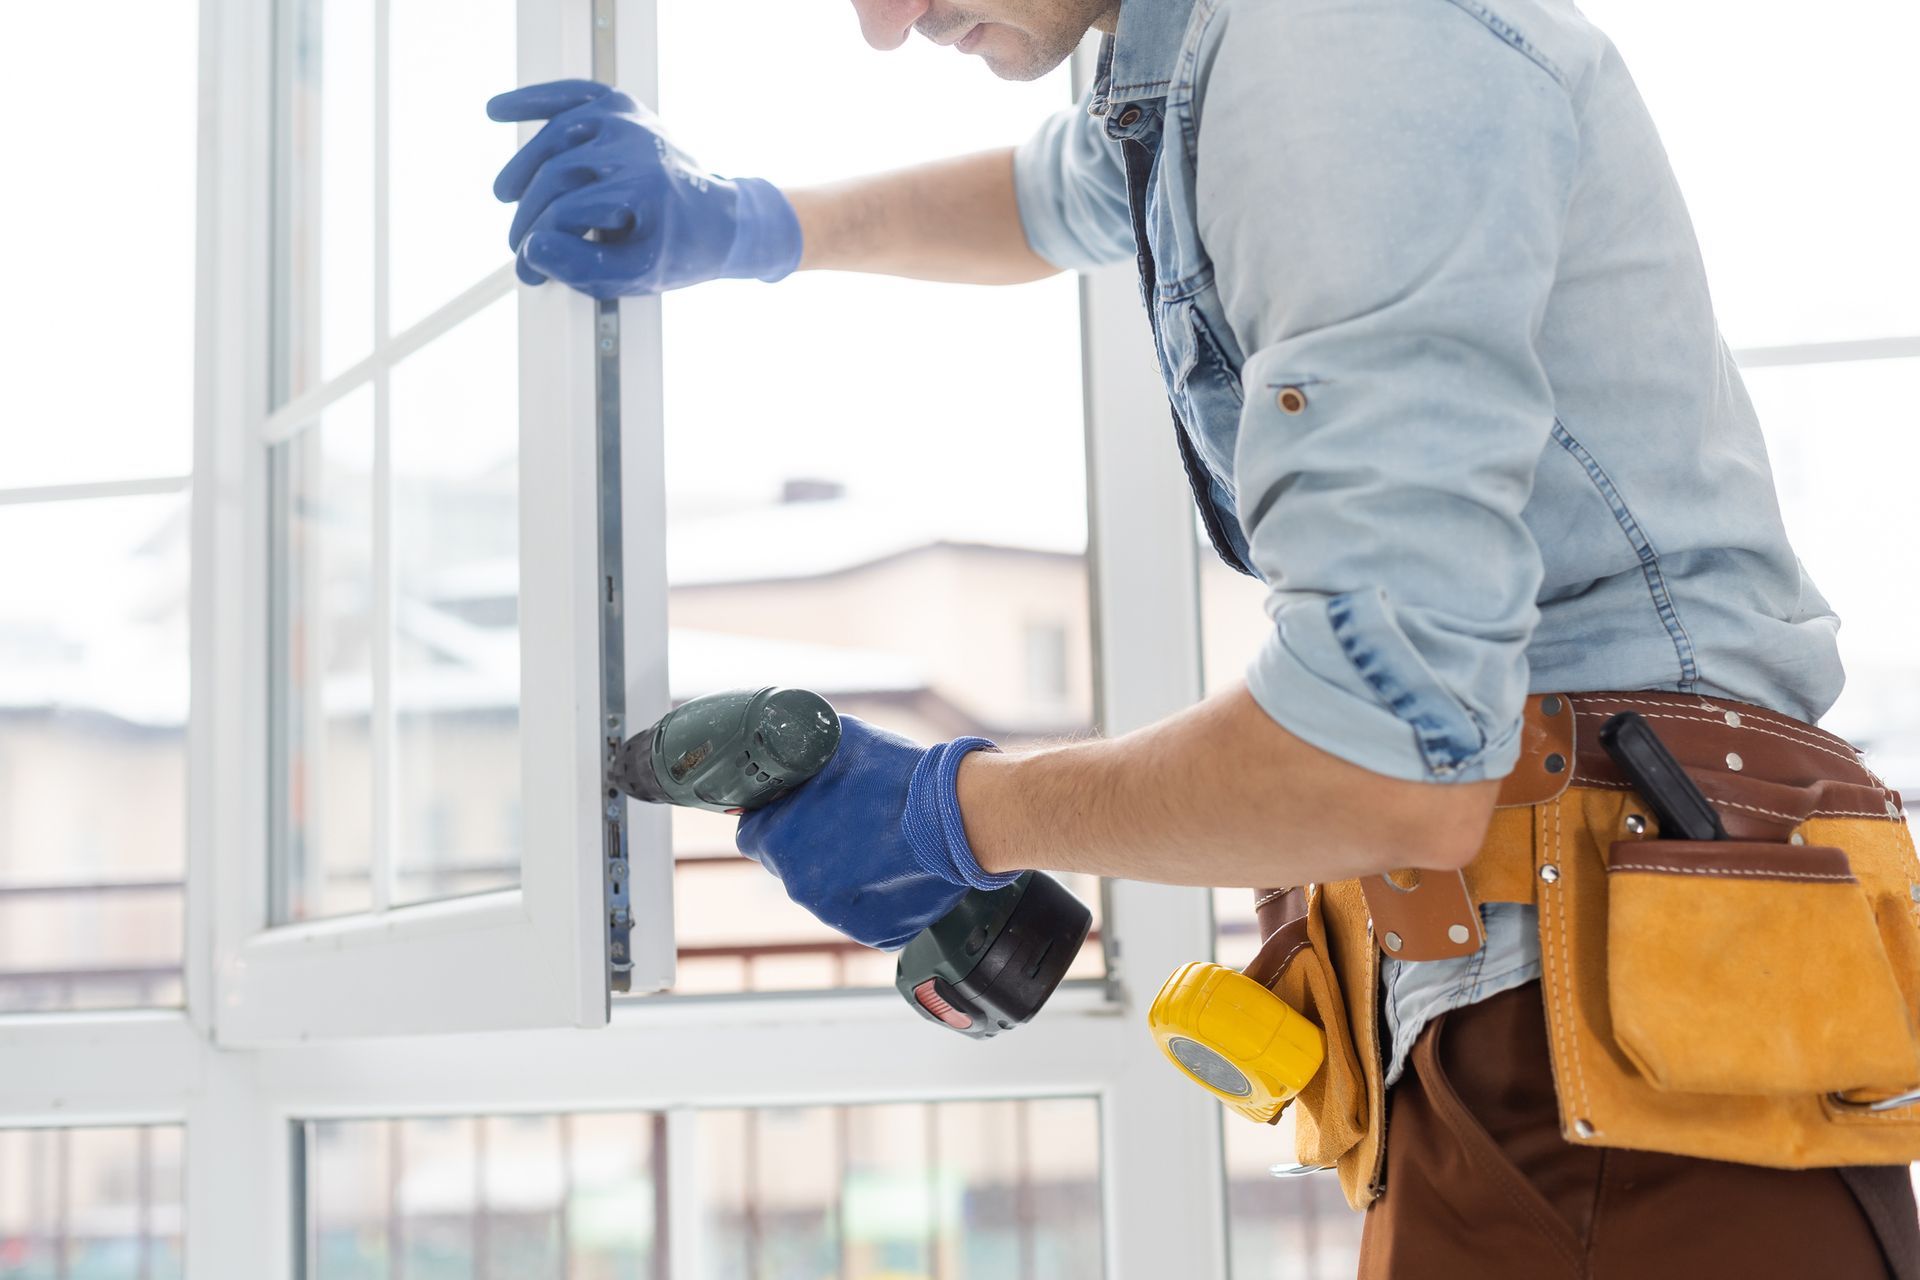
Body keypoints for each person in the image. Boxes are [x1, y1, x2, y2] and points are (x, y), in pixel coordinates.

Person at [488, 1, 1920, 1274]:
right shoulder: (1210, 66)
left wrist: (955, 810)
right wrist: (746, 223)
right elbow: (1056, 195)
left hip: (1602, 1054)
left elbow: (1390, 773)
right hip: (1551, 1043)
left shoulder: (1342, 53)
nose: (881, 22)